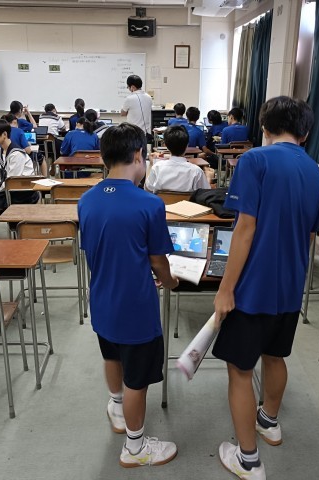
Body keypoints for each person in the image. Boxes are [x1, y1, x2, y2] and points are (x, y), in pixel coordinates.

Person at [212, 96, 319, 479]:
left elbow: (245, 228)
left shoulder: (254, 160)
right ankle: (269, 422)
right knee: (275, 356)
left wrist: (226, 288)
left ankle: (248, 460)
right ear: (305, 133)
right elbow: (310, 235)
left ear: (264, 127)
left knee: (240, 370)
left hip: (253, 286)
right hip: (290, 285)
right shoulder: (315, 172)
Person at [78, 122, 179, 468]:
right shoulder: (149, 204)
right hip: (135, 306)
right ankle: (135, 447)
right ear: (139, 156)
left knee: (112, 356)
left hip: (102, 300)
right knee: (138, 379)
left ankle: (116, 406)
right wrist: (170, 281)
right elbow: (157, 261)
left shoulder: (87, 200)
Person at [0, 119, 39, 240]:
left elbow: (11, 180)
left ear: (4, 134)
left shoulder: (16, 153)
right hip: (8, 188)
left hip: (23, 191)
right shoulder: (1, 151)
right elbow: (0, 174)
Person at [145, 126, 209, 193]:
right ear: (187, 145)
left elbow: (148, 189)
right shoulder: (197, 172)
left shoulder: (157, 167)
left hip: (161, 200)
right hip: (187, 200)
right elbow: (205, 194)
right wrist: (208, 178)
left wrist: (151, 164)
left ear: (165, 145)